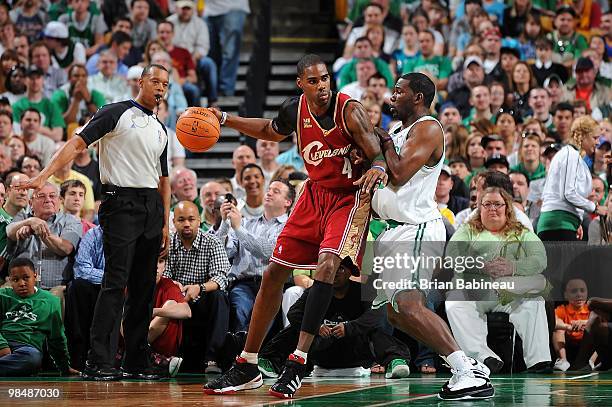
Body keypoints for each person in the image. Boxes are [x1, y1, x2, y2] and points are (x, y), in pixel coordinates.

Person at [204, 54, 387, 398]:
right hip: (313, 195)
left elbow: (376, 152)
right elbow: (269, 131)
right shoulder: (295, 110)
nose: (322, 87)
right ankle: (247, 364)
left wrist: (377, 166)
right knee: (274, 272)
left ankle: (298, 361)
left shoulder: (350, 110)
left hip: (348, 198)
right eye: (313, 81)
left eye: (325, 79)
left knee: (328, 267)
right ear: (301, 84)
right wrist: (226, 119)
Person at [15, 64, 172, 381]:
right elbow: (76, 143)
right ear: (139, 82)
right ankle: (98, 360)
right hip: (120, 201)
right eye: (155, 81)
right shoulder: (115, 112)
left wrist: (165, 220)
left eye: (166, 84)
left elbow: (164, 178)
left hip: (151, 206)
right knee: (115, 282)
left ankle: (136, 360)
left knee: (143, 287)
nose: (160, 88)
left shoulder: (161, 129)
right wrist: (44, 175)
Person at [370, 73, 493, 400]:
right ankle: (467, 363)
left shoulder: (428, 127)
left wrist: (381, 143)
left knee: (409, 304)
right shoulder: (400, 130)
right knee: (396, 312)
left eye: (399, 92)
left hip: (418, 226)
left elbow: (398, 172)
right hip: (395, 229)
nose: (392, 97)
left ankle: (464, 371)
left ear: (419, 98)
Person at [445, 187, 551, 373]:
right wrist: (481, 266)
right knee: (454, 302)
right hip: (477, 289)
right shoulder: (468, 230)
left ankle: (539, 361)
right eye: (487, 204)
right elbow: (452, 255)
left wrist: (513, 267)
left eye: (497, 204)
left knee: (533, 301)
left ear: (507, 208)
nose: (492, 208)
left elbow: (540, 258)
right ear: (479, 208)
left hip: (511, 289)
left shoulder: (521, 231)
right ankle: (485, 358)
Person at [258, 258, 410, 379]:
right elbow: (294, 313)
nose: (334, 273)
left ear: (350, 272)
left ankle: (395, 361)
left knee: (375, 331)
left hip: (354, 351)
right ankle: (269, 361)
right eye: (332, 268)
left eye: (341, 269)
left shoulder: (363, 291)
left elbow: (376, 315)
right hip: (321, 351)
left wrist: (349, 328)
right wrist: (315, 327)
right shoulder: (315, 292)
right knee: (295, 329)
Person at [216, 179, 294, 332]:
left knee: (263, 320)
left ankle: (254, 352)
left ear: (288, 202)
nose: (269, 193)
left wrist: (237, 228)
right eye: (269, 189)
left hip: (274, 285)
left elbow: (267, 251)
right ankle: (240, 350)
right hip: (243, 284)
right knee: (240, 311)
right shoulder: (245, 223)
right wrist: (225, 223)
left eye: (276, 191)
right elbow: (222, 253)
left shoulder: (289, 227)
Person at [164, 201, 230, 374]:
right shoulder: (168, 244)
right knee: (162, 294)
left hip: (203, 297)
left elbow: (221, 277)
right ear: (174, 223)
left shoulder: (212, 242)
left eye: (191, 219)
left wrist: (199, 288)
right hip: (177, 298)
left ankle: (212, 358)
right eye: (181, 219)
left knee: (219, 296)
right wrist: (175, 287)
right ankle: (166, 356)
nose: (186, 224)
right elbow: (164, 274)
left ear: (199, 220)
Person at [0, 258, 78, 376]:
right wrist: (2, 345)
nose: (21, 283)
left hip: (26, 349)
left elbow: (57, 338)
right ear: (10, 280)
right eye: (16, 280)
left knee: (33, 358)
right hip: (3, 341)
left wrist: (64, 366)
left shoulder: (51, 302)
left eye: (26, 278)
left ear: (35, 276)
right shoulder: (3, 296)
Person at [538, 116, 608, 241]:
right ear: (582, 136)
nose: (597, 142)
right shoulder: (571, 155)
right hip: (558, 225)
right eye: (595, 138)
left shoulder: (572, 156)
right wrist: (595, 208)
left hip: (562, 223)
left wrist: (577, 220)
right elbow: (568, 193)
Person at [553, 278, 593, 371]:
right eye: (574, 291)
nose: (579, 294)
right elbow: (553, 321)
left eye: (582, 290)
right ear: (566, 295)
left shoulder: (591, 309)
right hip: (567, 345)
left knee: (597, 330)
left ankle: (591, 362)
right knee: (558, 329)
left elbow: (602, 322)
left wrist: (585, 323)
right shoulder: (562, 309)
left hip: (587, 346)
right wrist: (568, 327)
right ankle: (563, 360)